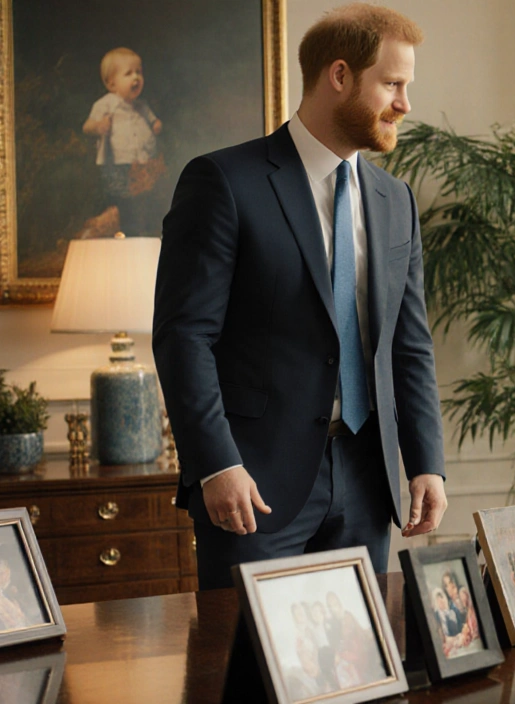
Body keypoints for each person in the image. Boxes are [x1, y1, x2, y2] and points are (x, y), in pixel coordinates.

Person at [153, 3, 448, 590]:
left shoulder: (396, 201)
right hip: (252, 487)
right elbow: (185, 336)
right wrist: (216, 463)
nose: (404, 104)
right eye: (392, 83)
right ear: (339, 76)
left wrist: (426, 463)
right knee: (246, 673)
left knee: (355, 673)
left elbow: (408, 344)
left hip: (368, 482)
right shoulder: (223, 182)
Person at [83, 47, 165, 237]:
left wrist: (156, 124)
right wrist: (98, 126)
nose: (136, 78)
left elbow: (152, 120)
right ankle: (124, 228)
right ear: (112, 84)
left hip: (142, 161)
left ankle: (140, 228)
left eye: (139, 72)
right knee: (124, 197)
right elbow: (87, 126)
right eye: (128, 73)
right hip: (119, 161)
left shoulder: (141, 105)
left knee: (144, 196)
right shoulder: (106, 103)